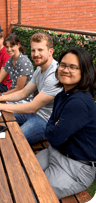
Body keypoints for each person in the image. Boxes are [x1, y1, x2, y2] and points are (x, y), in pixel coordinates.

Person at [36, 47, 96, 199]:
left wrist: (54, 128)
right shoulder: (62, 95)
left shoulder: (79, 102)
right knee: (21, 174)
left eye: (73, 67)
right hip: (55, 151)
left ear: (84, 71)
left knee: (33, 194)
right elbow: (51, 128)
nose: (65, 70)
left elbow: (54, 136)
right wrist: (54, 127)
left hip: (76, 166)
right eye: (63, 65)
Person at [0, 32, 62, 144]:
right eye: (33, 50)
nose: (36, 54)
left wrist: (0, 104)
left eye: (40, 50)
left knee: (14, 140)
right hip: (34, 113)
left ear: (50, 51)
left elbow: (33, 107)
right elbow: (23, 92)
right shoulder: (39, 69)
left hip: (46, 121)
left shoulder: (54, 75)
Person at [0, 33, 33, 101]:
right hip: (13, 94)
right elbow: (0, 78)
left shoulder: (23, 62)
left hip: (23, 99)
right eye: (7, 47)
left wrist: (2, 95)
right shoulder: (11, 60)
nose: (9, 49)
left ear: (18, 45)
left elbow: (19, 89)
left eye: (12, 46)